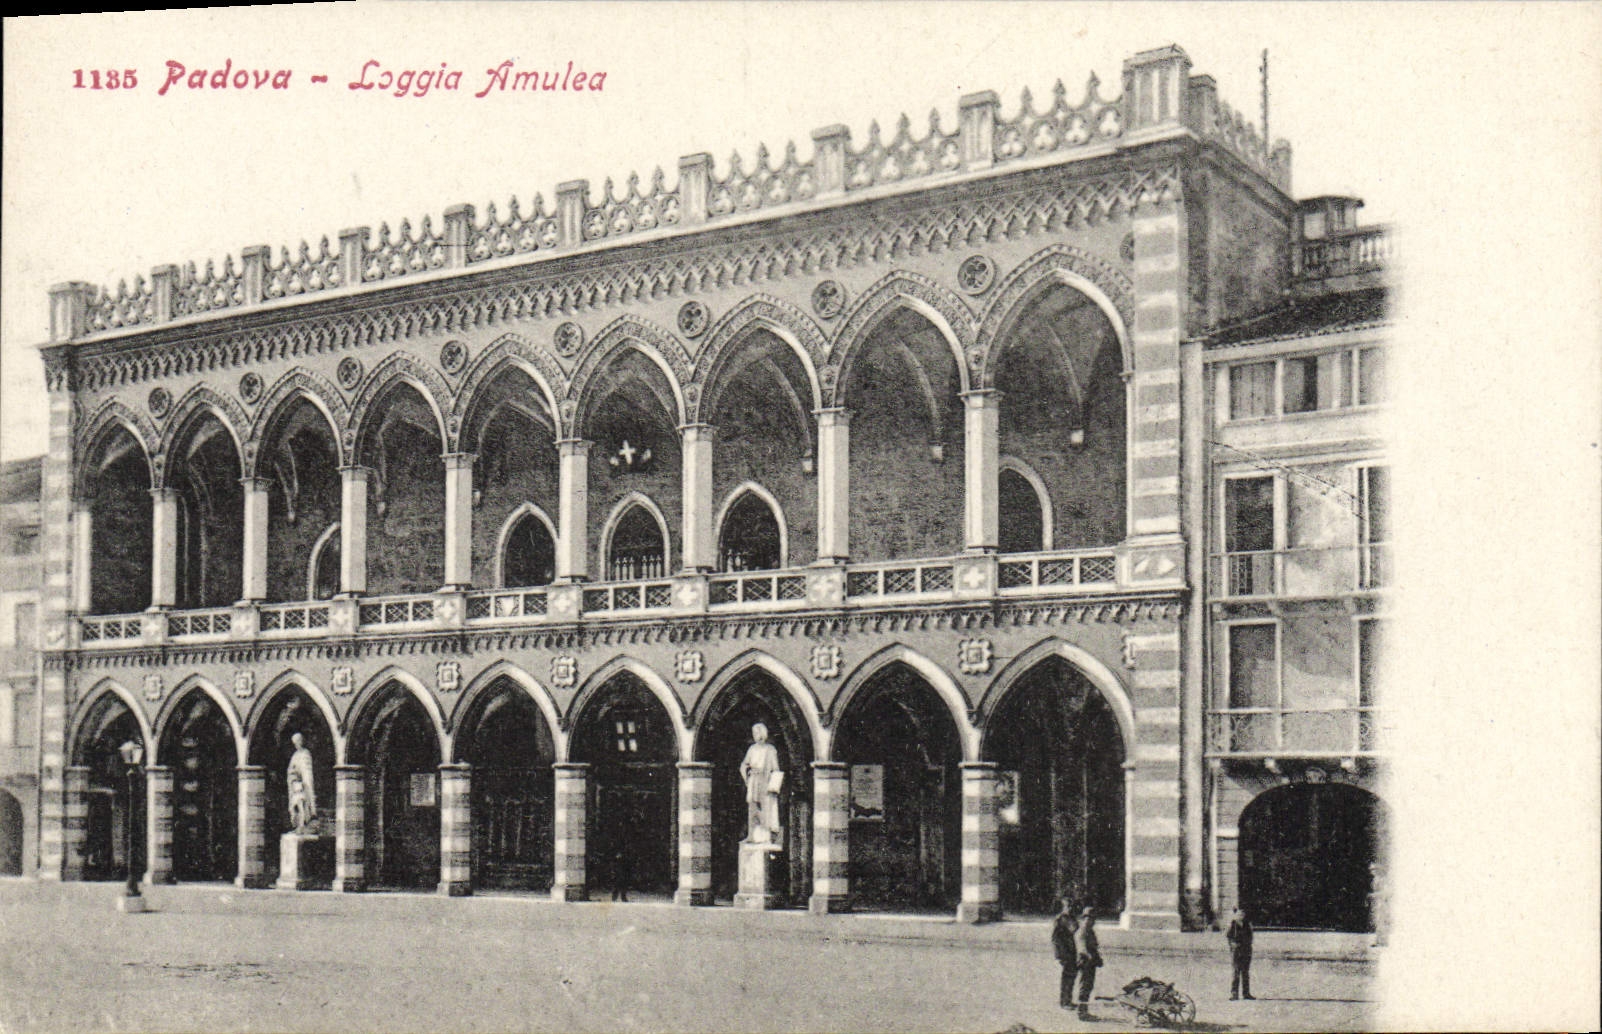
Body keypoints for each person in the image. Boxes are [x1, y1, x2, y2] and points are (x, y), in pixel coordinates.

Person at [739, 722, 782, 844]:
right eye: (754, 733)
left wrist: (773, 783)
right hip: (754, 780)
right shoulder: (752, 749)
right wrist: (746, 778)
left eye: (757, 733)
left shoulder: (770, 749)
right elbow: (744, 764)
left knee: (765, 808)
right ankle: (751, 835)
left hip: (765, 780)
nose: (756, 735)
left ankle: (765, 836)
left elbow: (776, 768)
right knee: (752, 807)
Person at [1071, 906, 1104, 1019]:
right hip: (1085, 962)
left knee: (1088, 986)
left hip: (1090, 963)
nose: (1091, 921)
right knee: (1084, 987)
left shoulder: (1090, 931)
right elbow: (1082, 949)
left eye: (1093, 919)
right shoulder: (1082, 932)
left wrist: (1097, 958)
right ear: (1084, 918)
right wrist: (1091, 958)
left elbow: (1094, 946)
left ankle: (1084, 1010)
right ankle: (1082, 1012)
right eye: (1089, 918)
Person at [1050, 897, 1080, 1011]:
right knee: (1067, 977)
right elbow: (1055, 938)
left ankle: (1068, 1000)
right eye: (1068, 906)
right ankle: (1064, 1002)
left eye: (1072, 906)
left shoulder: (1072, 918)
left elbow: (1076, 930)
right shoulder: (1060, 919)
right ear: (1064, 907)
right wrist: (1059, 955)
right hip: (1065, 952)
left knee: (1072, 976)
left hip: (1072, 950)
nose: (1071, 908)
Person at [286, 732, 317, 833]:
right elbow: (291, 769)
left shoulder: (305, 754)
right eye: (295, 742)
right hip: (295, 785)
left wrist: (303, 782)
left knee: (302, 804)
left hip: (302, 786)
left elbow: (306, 772)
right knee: (295, 806)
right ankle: (298, 825)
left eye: (298, 741)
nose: (296, 744)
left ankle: (303, 824)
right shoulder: (295, 755)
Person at [1227, 907, 1255, 1000]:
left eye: (1242, 914)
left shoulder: (1247, 924)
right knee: (1236, 972)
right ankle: (1234, 994)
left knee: (1245, 972)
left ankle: (1246, 993)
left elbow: (1251, 937)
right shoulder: (1233, 924)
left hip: (1246, 950)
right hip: (1236, 951)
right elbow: (1229, 937)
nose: (1241, 916)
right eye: (1239, 914)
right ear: (1236, 915)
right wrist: (1233, 945)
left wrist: (1248, 945)